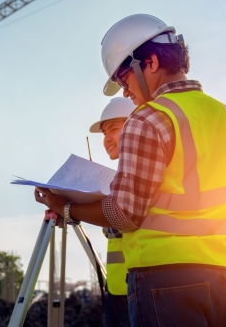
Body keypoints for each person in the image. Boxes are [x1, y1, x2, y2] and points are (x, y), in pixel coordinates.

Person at [34, 14, 226, 326]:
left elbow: (125, 213)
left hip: (167, 281)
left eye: (124, 80)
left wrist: (66, 207)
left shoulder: (148, 118)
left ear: (149, 62)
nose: (125, 93)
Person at [89, 97, 136, 327]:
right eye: (104, 133)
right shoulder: (116, 180)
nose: (106, 139)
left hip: (136, 292)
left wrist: (71, 208)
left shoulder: (137, 175)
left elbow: (122, 223)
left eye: (113, 130)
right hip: (115, 290)